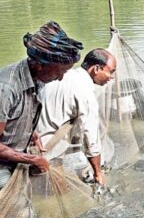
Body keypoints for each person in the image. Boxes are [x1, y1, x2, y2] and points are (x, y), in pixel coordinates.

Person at [0, 21, 83, 189]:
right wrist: (31, 159)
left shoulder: (37, 77)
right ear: (39, 65)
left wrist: (30, 131)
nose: (60, 78)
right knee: (15, 209)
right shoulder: (7, 89)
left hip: (13, 155)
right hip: (2, 165)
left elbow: (18, 112)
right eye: (59, 72)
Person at [37, 49, 116, 185]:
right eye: (111, 71)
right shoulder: (85, 94)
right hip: (48, 154)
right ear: (96, 68)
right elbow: (90, 138)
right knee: (59, 193)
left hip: (30, 146)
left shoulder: (60, 75)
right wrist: (98, 173)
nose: (111, 77)